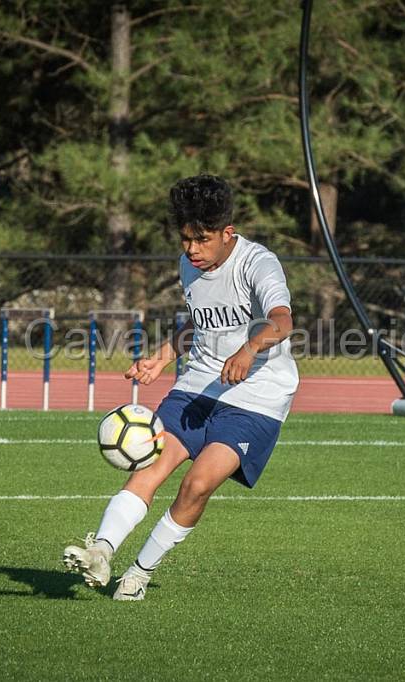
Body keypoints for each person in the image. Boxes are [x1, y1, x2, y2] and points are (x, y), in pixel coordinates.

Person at [63, 174, 299, 600]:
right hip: (198, 384)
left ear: (228, 233)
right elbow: (200, 321)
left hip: (258, 397)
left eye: (202, 239)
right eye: (186, 239)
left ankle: (138, 573)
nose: (192, 249)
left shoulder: (258, 263)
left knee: (197, 484)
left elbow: (283, 321)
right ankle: (100, 549)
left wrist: (249, 350)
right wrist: (161, 357)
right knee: (151, 465)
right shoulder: (188, 263)